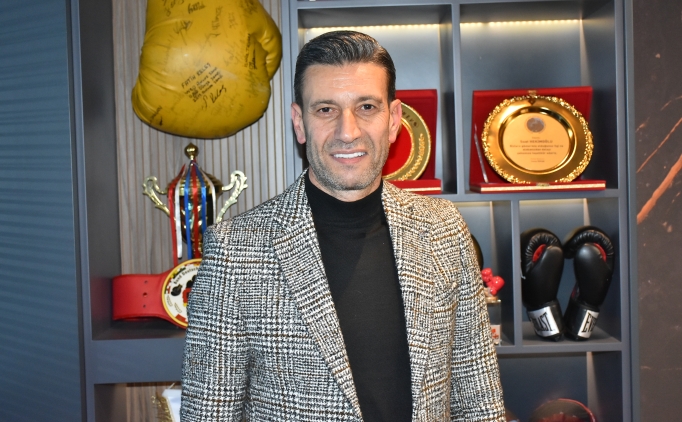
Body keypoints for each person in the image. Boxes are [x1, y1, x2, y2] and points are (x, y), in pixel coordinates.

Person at [181, 30, 505, 421]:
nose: (347, 131)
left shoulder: (444, 229)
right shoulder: (235, 250)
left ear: (394, 120)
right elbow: (209, 412)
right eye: (325, 109)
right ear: (299, 123)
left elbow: (479, 400)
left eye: (366, 106)